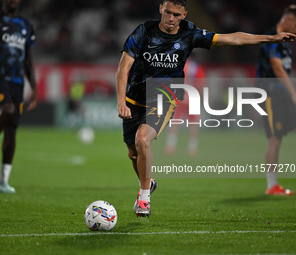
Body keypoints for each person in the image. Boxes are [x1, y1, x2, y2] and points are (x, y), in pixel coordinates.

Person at [116, 0, 296, 217]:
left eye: (176, 14)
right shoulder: (144, 30)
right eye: (167, 13)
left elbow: (233, 38)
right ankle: (148, 182)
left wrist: (269, 38)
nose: (171, 19)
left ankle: (144, 199)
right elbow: (123, 66)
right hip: (134, 99)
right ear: (160, 10)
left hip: (165, 96)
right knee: (133, 154)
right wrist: (121, 101)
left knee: (142, 139)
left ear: (184, 14)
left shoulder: (190, 33)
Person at [0, 0, 37, 193]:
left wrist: (34, 88)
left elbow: (28, 59)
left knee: (12, 130)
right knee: (8, 110)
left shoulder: (26, 26)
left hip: (18, 83)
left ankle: (3, 182)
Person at [256, 5, 296, 196]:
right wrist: (293, 92)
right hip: (270, 94)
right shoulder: (272, 37)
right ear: (288, 20)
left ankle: (273, 184)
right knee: (274, 137)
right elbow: (277, 68)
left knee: (277, 137)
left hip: (280, 95)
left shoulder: (285, 40)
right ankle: (271, 185)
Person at [165, 57, 205, 157]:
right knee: (193, 124)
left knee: (175, 122)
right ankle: (192, 147)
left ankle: (171, 146)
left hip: (179, 99)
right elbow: (201, 84)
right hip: (192, 99)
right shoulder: (195, 68)